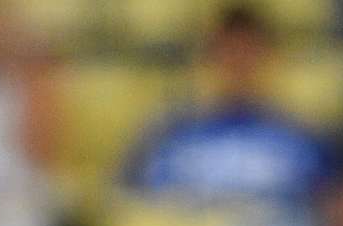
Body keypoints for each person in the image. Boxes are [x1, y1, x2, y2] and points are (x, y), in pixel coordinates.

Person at [124, 5, 331, 209]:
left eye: (248, 52)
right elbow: (142, 201)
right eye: (228, 51)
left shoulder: (300, 141)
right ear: (209, 58)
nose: (238, 63)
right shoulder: (173, 136)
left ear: (269, 58)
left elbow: (324, 207)